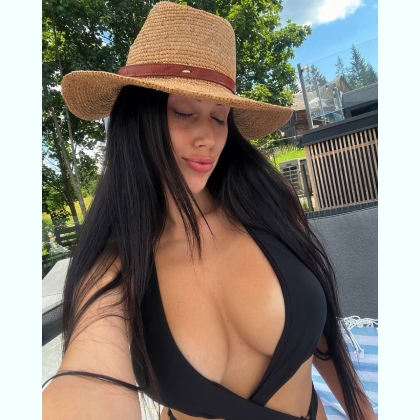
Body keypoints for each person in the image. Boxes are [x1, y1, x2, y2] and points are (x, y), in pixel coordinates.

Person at [42, 2, 376, 420]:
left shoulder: (271, 205)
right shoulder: (117, 261)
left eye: (220, 119)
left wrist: (363, 413)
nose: (209, 138)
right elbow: (91, 374)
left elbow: (322, 336)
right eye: (184, 112)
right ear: (137, 118)